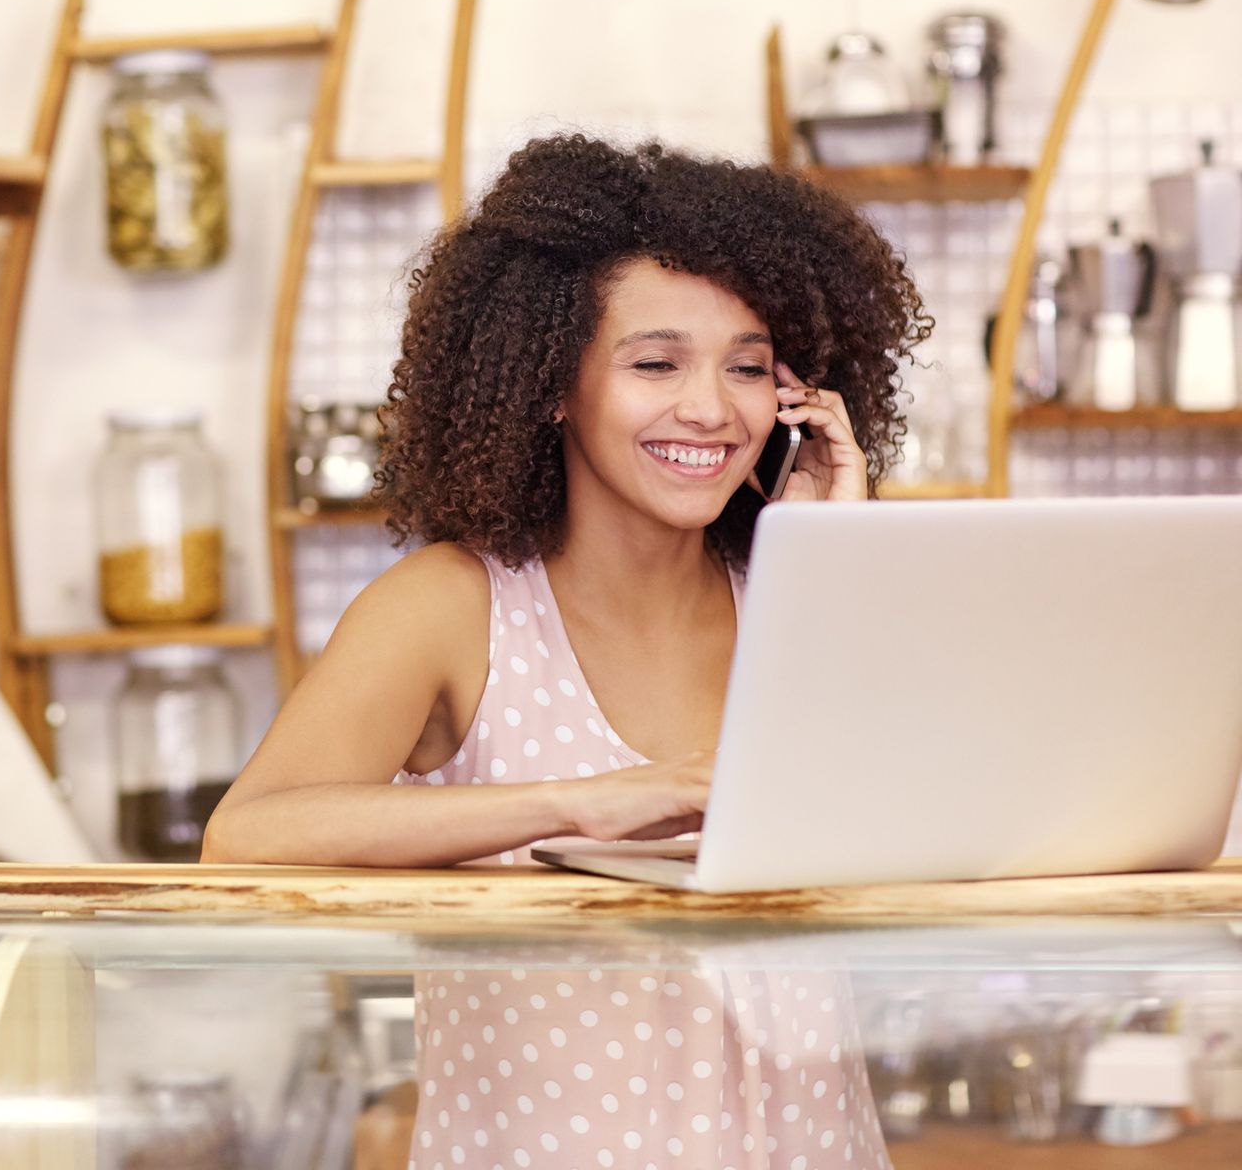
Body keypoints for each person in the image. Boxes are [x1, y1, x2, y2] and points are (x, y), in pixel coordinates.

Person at [203, 135, 931, 1167]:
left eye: (749, 367)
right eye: (656, 362)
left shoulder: (793, 593)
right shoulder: (450, 607)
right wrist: (582, 801)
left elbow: (917, 840)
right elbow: (248, 837)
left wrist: (828, 562)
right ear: (552, 383)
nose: (712, 408)